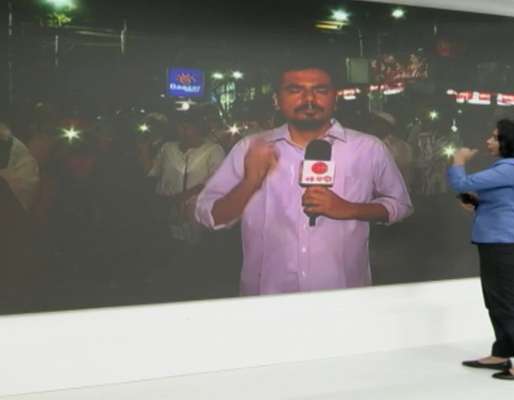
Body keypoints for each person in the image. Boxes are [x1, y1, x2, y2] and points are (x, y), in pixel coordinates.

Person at [195, 58, 413, 296]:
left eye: (320, 90)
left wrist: (351, 209)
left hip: (344, 299)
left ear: (335, 98)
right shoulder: (250, 148)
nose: (309, 99)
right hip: (267, 301)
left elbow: (400, 205)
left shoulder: (368, 148)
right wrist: (249, 184)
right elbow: (210, 217)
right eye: (295, 90)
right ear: (277, 100)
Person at [446, 118, 514, 380]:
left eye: (495, 137)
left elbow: (462, 184)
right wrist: (478, 204)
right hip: (502, 241)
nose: (488, 141)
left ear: (510, 142)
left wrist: (458, 161)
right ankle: (502, 353)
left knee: (507, 304)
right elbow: (502, 203)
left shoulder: (512, 167)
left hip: (506, 243)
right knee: (496, 302)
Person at [145, 110, 226, 246]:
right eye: (179, 127)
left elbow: (215, 181)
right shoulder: (168, 148)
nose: (182, 131)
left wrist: (183, 197)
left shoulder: (213, 150)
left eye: (186, 127)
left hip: (195, 214)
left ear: (198, 128)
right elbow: (153, 171)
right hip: (166, 209)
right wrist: (144, 149)